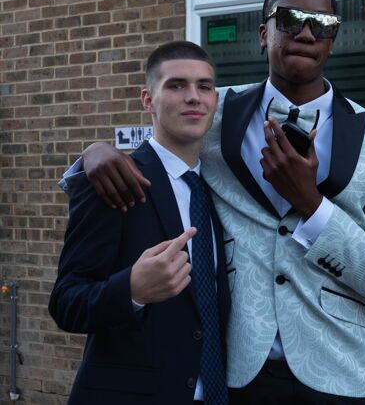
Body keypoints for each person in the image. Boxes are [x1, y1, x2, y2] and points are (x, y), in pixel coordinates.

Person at [65, 0, 365, 404]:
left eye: (322, 24)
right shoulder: (215, 110)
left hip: (340, 374)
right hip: (237, 374)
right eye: (290, 20)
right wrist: (94, 152)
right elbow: (159, 139)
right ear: (264, 33)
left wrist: (313, 205)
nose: (306, 33)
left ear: (333, 38)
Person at [49, 41, 230, 405]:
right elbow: (66, 302)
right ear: (148, 100)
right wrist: (131, 290)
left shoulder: (222, 189)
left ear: (215, 99)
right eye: (176, 85)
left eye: (204, 86)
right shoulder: (113, 180)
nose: (193, 97)